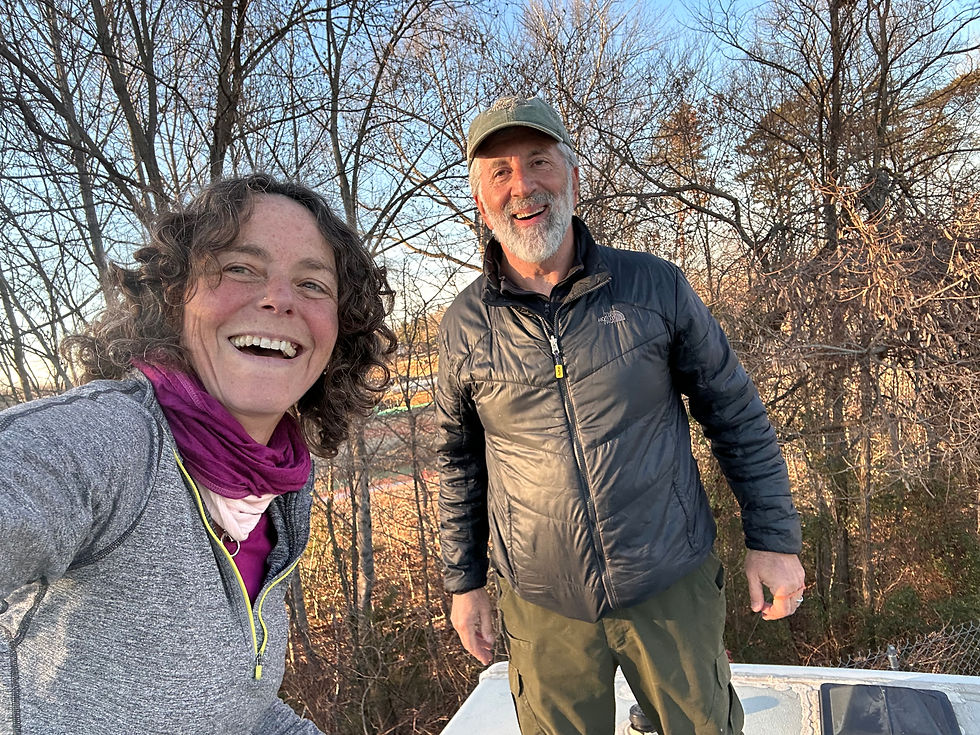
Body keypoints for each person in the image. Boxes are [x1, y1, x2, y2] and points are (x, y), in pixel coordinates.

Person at [435, 96, 806, 735]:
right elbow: (458, 462)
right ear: (480, 201)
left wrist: (773, 538)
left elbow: (734, 412)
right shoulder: (464, 326)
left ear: (573, 178)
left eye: (540, 162)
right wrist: (464, 582)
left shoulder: (654, 287)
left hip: (670, 582)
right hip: (542, 604)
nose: (523, 186)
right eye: (500, 171)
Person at [0, 173, 397, 734]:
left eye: (312, 284)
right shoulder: (111, 443)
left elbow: (243, 712)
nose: (279, 299)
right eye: (240, 268)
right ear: (173, 299)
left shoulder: (279, 493)